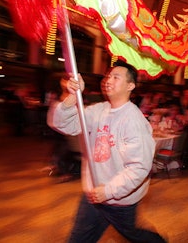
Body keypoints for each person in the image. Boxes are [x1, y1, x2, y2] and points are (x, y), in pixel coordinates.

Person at [47, 61, 166, 243]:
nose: (108, 80)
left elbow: (139, 167)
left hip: (120, 199)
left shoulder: (133, 120)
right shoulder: (99, 110)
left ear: (130, 85)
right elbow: (64, 124)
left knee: (134, 234)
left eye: (116, 77)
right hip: (94, 193)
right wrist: (71, 97)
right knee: (78, 238)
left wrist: (109, 191)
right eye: (108, 76)